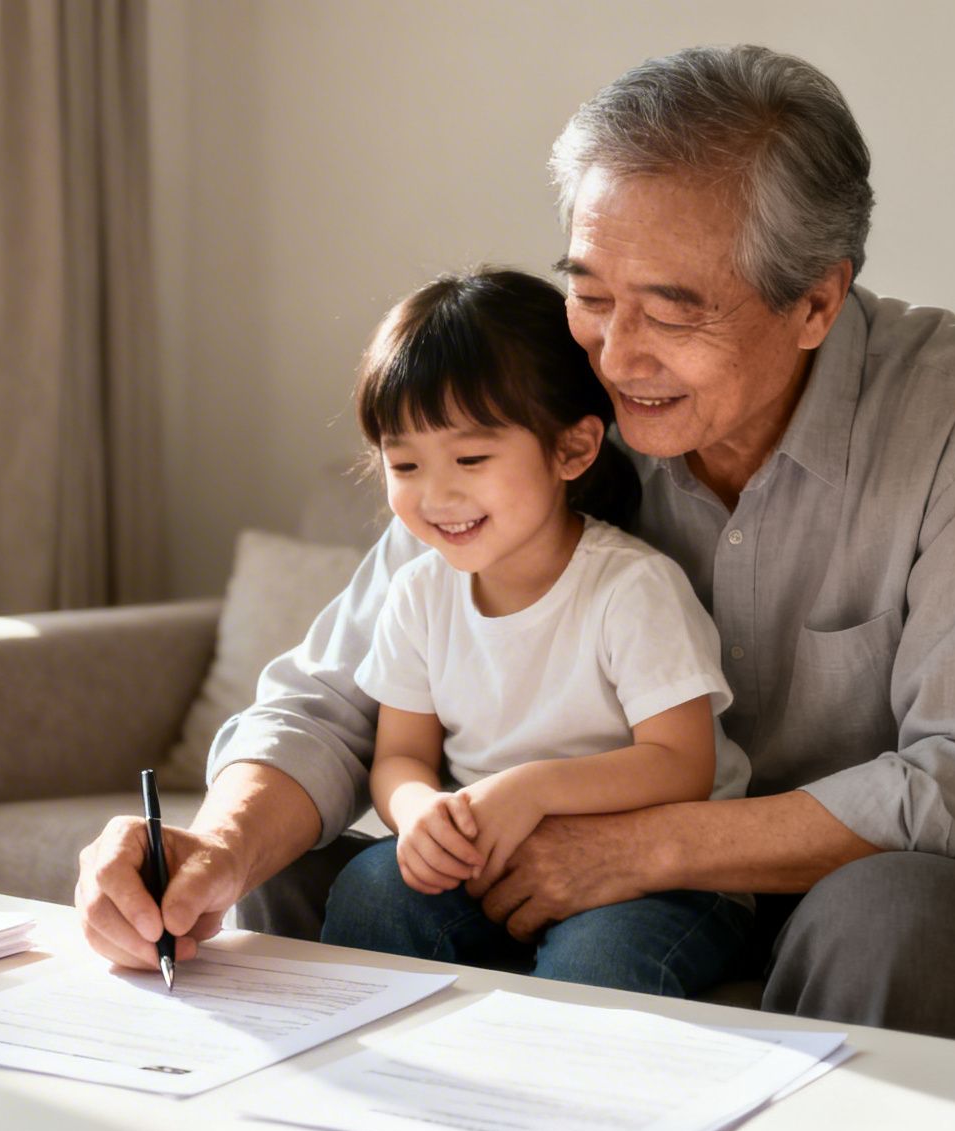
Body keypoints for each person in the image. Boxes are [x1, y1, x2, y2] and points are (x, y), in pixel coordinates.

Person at [77, 44, 955, 1046]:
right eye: (589, 294)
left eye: (672, 313)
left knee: (891, 922)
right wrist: (210, 845)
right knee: (301, 872)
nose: (617, 358)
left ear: (815, 300)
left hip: (922, 875)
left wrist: (643, 846)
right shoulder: (556, 394)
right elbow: (328, 705)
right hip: (590, 856)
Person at [319, 268, 752, 994]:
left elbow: (683, 764)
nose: (437, 495)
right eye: (405, 464)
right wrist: (418, 812)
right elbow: (398, 756)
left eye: (471, 459)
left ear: (572, 451)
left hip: (660, 876)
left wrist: (532, 791)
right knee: (370, 890)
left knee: (598, 966)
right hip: (493, 860)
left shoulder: (629, 588)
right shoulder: (419, 594)